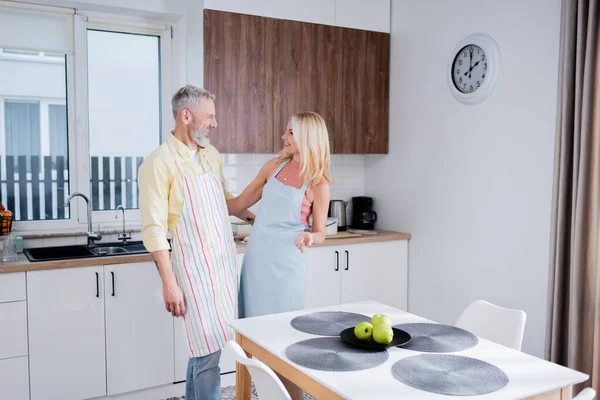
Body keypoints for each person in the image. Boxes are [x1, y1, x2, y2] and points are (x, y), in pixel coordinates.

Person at [138, 85, 253, 399]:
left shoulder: (210, 155)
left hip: (222, 265)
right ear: (186, 116)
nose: (215, 124)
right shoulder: (158, 163)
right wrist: (169, 282)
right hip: (193, 270)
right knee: (208, 352)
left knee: (206, 347)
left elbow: (223, 202)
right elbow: (154, 229)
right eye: (210, 116)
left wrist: (256, 218)